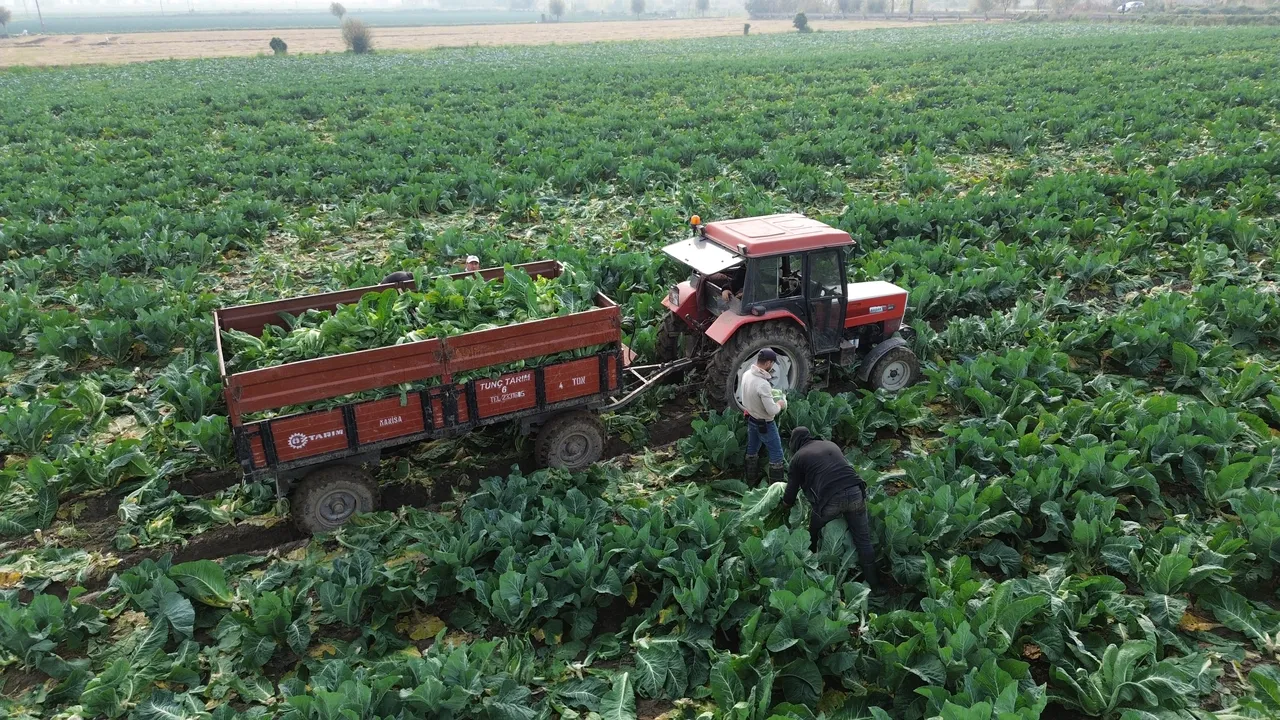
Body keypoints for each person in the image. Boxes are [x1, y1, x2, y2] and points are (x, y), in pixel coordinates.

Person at [783, 426, 882, 593]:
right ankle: (876, 586)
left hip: (831, 499)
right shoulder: (830, 444)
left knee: (812, 534)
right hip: (856, 491)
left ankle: (811, 573)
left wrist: (784, 507)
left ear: (794, 443)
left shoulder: (799, 457)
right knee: (863, 540)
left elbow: (791, 490)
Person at [741, 348, 787, 485]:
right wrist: (780, 404)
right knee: (777, 454)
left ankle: (751, 481)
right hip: (765, 425)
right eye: (772, 363)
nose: (772, 366)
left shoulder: (747, 374)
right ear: (767, 363)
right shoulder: (763, 384)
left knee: (752, 450)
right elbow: (771, 410)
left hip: (751, 419)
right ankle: (776, 489)